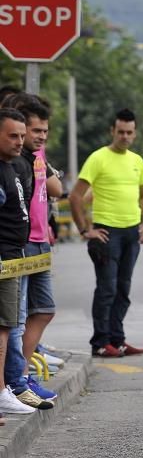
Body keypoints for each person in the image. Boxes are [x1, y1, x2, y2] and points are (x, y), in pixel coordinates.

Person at [69, 109, 143, 357]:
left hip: (132, 233)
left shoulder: (137, 161)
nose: (125, 137)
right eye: (121, 132)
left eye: (129, 132)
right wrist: (85, 229)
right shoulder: (98, 158)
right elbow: (75, 196)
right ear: (112, 132)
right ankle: (100, 342)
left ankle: (118, 340)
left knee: (123, 289)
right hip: (107, 233)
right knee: (107, 288)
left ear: (135, 133)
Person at [4, 97, 60, 403]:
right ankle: (16, 381)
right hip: (22, 244)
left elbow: (56, 190)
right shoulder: (17, 163)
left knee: (44, 309)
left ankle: (22, 375)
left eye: (44, 131)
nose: (38, 137)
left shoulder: (37, 158)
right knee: (17, 316)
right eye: (33, 130)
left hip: (41, 241)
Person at [0, 109, 37, 415]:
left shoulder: (11, 166)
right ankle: (3, 390)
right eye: (13, 135)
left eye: (22, 136)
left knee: (8, 323)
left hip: (15, 256)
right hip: (4, 257)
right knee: (3, 326)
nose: (19, 142)